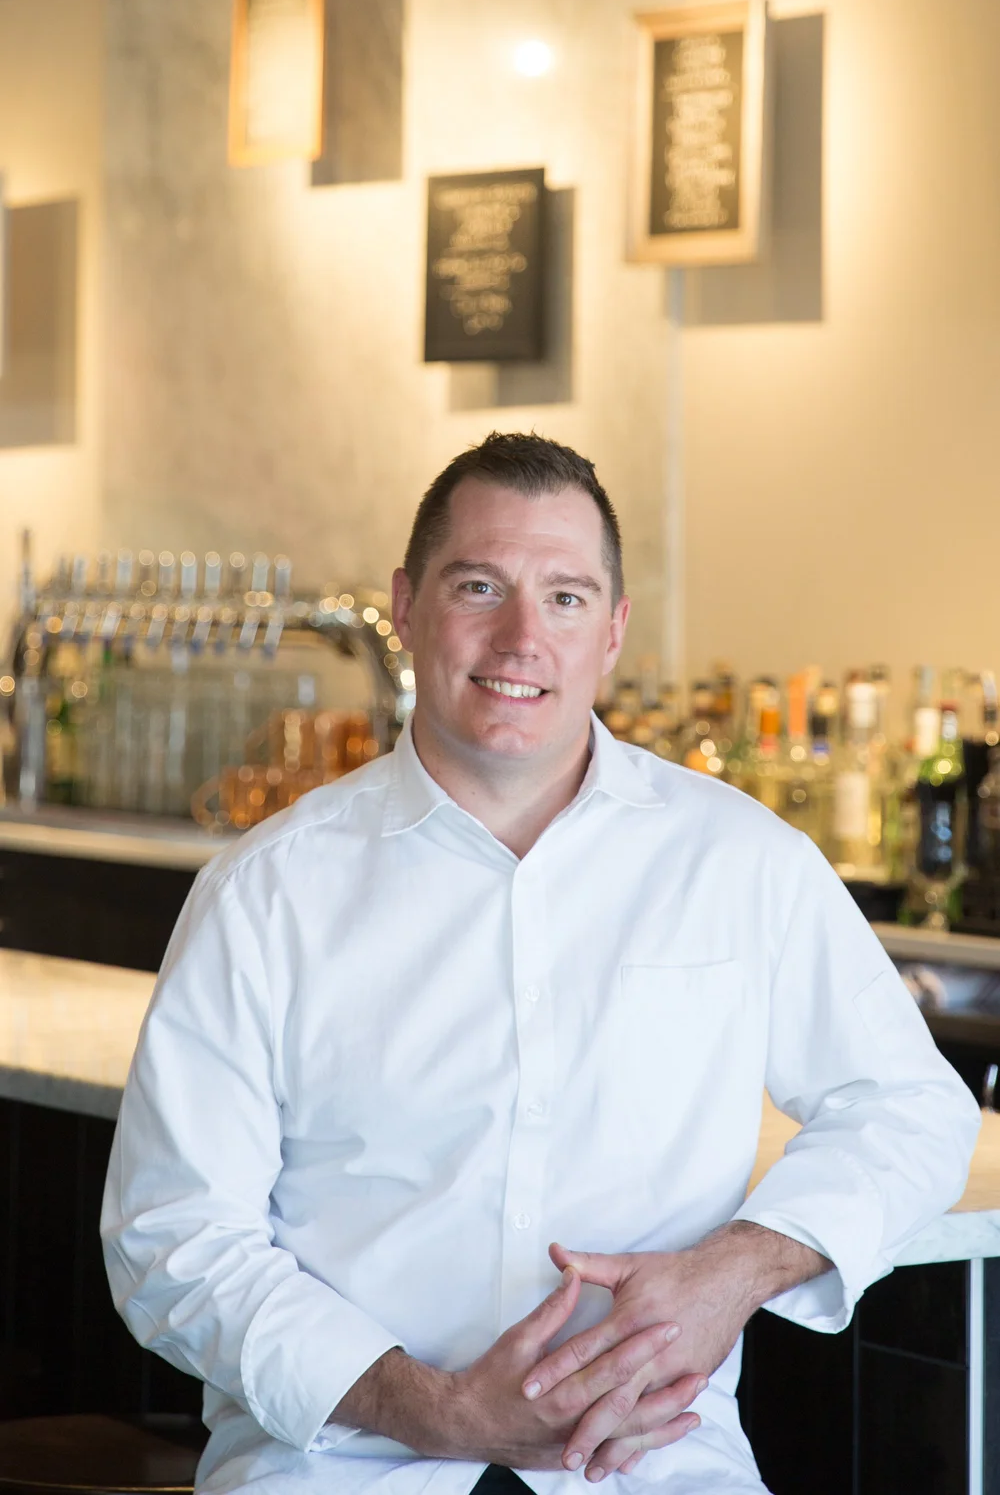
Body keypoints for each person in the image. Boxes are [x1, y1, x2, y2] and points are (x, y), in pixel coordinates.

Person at [102, 432, 980, 1495]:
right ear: (408, 606)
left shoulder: (742, 862)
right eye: (480, 586)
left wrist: (736, 1270)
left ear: (612, 631)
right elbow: (173, 1235)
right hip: (344, 1467)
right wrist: (434, 1409)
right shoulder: (265, 891)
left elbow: (910, 1108)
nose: (522, 638)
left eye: (565, 598)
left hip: (656, 1471)